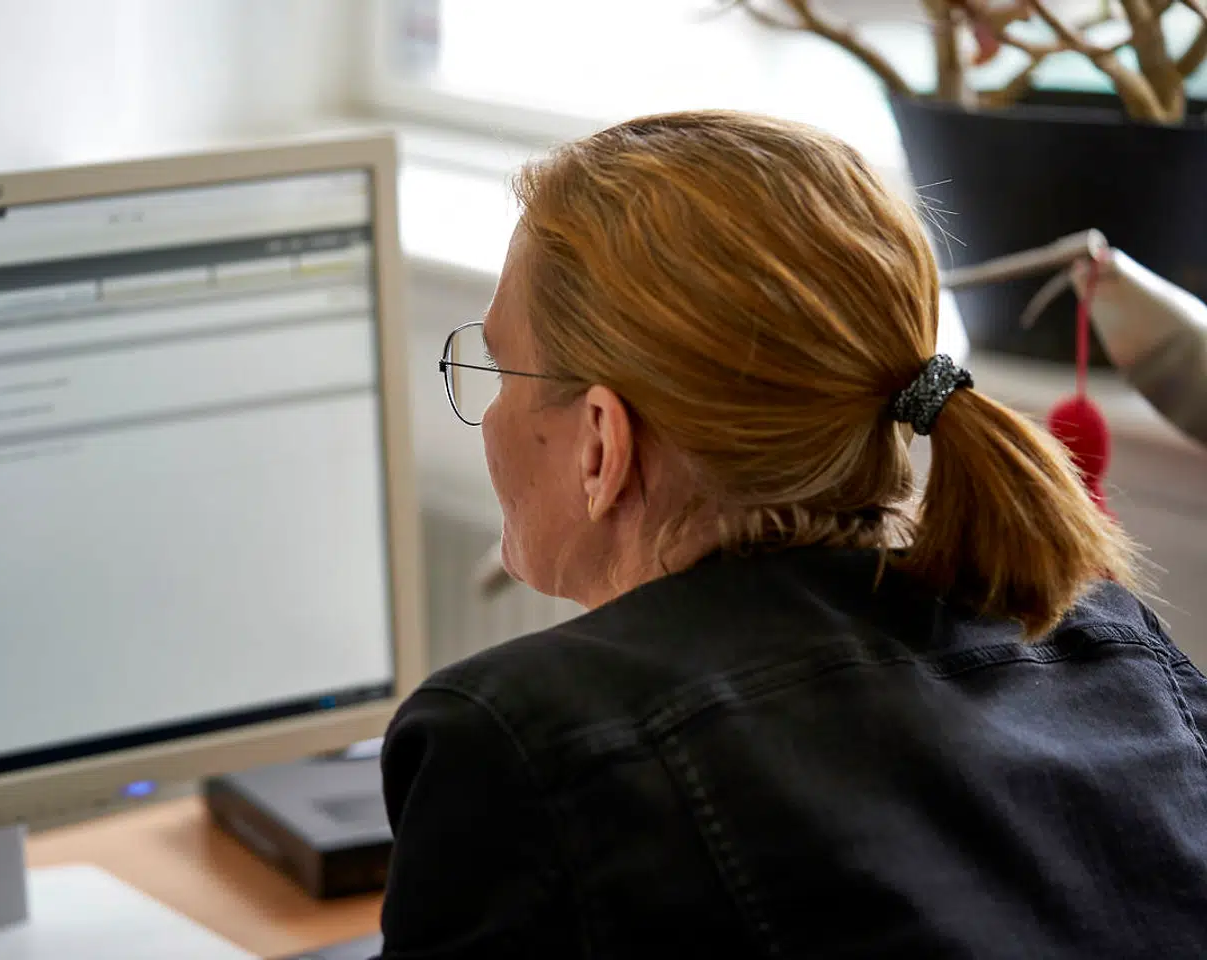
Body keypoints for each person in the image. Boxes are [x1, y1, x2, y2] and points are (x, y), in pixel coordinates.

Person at [375, 111, 1207, 959]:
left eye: (498, 366)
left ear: (601, 443)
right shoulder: (1117, 651)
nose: (489, 418)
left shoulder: (519, 750)